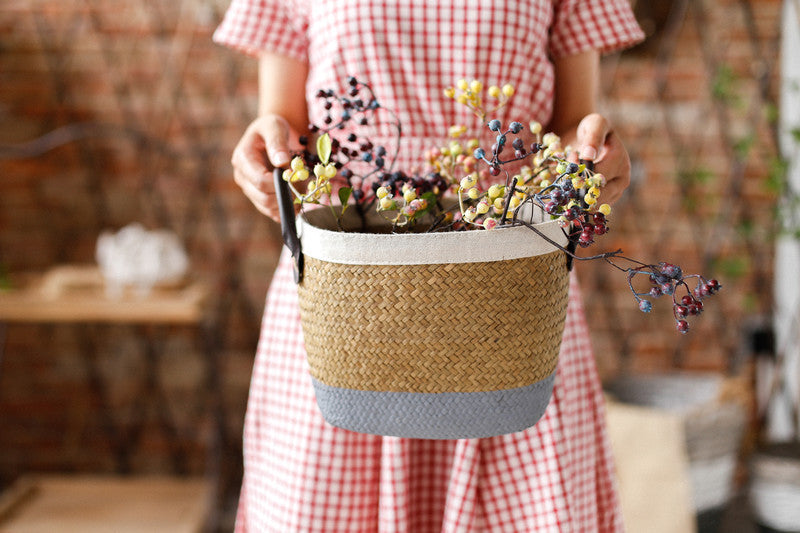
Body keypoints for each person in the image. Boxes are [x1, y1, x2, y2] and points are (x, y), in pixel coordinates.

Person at [214, 1, 644, 531]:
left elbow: (574, 124)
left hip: (510, 305)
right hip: (344, 310)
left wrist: (591, 150)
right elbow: (288, 131)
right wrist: (267, 147)